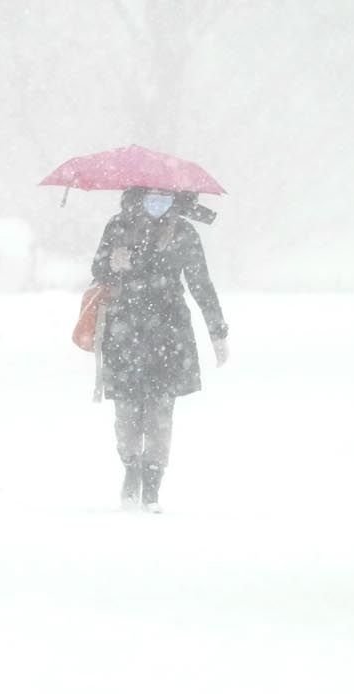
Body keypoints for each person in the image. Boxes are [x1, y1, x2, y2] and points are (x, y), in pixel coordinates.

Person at [90, 187, 230, 512]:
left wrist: (217, 330)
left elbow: (200, 283)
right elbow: (98, 270)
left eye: (165, 199)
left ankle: (152, 486)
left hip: (169, 332)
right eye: (151, 198)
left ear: (175, 201)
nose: (157, 205)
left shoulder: (183, 232)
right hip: (125, 329)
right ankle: (131, 470)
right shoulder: (118, 226)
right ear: (138, 198)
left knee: (159, 413)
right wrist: (114, 264)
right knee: (125, 411)